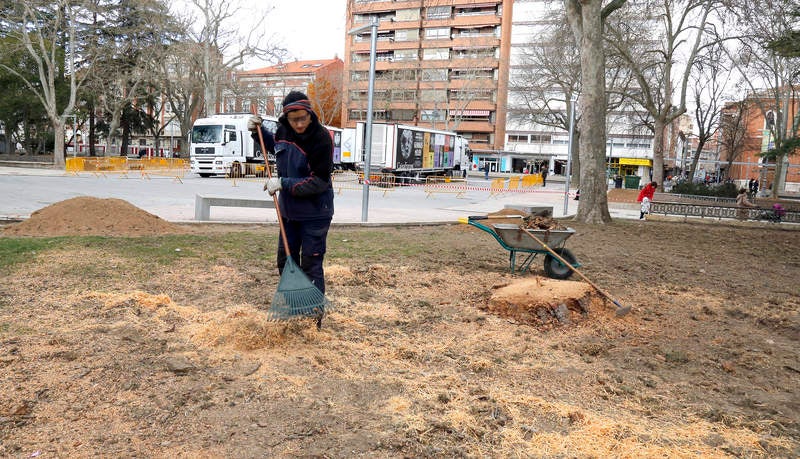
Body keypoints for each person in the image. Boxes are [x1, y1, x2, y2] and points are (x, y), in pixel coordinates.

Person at [248, 91, 335, 306]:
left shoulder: (321, 139)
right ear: (285, 118)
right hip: (289, 214)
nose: (298, 124)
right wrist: (256, 132)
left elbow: (319, 181)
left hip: (315, 213)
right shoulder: (283, 130)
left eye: (302, 118)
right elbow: (275, 145)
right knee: (286, 261)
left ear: (309, 113)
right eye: (293, 119)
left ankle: (313, 315)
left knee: (310, 264)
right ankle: (295, 306)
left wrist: (283, 183)